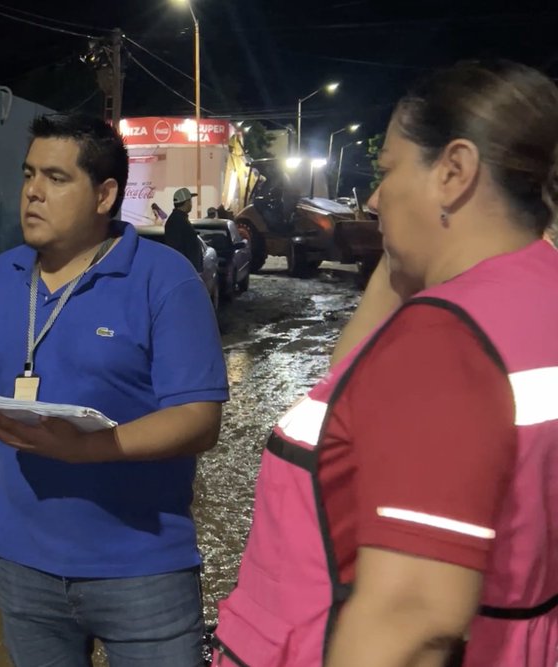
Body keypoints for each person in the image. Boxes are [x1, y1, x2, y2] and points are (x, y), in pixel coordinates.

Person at [211, 59, 558, 667]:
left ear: (453, 172)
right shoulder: (535, 295)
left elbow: (411, 619)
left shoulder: (445, 343)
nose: (373, 199)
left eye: (388, 170)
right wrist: (408, 256)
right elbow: (352, 386)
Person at [0, 112, 228, 666]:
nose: (33, 192)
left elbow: (198, 419)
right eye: (28, 175)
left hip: (143, 571)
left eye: (56, 178)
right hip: (25, 570)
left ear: (104, 195)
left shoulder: (164, 280)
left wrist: (88, 449)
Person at [166, 187, 204, 272]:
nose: (191, 204)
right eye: (190, 201)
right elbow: (177, 248)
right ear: (186, 202)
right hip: (185, 270)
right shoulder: (177, 221)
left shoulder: (180, 219)